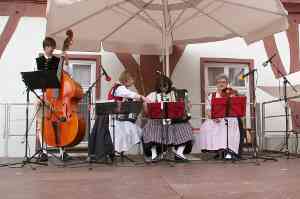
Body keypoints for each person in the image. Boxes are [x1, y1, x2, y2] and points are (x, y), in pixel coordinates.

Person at [142, 75, 193, 162]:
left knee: (186, 126)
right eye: (161, 86)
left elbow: (185, 108)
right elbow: (146, 111)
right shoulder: (152, 95)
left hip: (173, 121)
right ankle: (154, 154)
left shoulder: (175, 93)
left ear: (169, 85)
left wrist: (187, 105)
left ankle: (179, 153)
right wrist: (146, 106)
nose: (163, 88)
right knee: (150, 127)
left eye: (165, 86)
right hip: (157, 121)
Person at [107, 70, 150, 157]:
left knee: (135, 132)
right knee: (138, 132)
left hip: (118, 119)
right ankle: (147, 155)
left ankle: (119, 151)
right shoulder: (119, 88)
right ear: (127, 79)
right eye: (132, 80)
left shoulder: (118, 87)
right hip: (117, 120)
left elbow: (127, 98)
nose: (133, 83)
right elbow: (129, 94)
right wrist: (142, 97)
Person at [199, 74, 242, 159]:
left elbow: (237, 106)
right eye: (219, 82)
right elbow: (208, 110)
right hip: (216, 118)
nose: (221, 84)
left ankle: (230, 151)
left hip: (229, 117)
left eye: (223, 82)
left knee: (230, 123)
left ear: (227, 83)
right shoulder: (212, 95)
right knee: (206, 126)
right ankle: (218, 149)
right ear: (216, 84)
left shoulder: (232, 93)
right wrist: (213, 117)